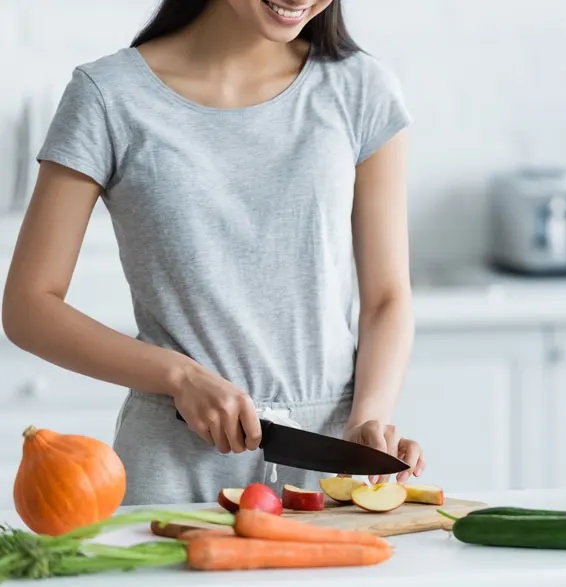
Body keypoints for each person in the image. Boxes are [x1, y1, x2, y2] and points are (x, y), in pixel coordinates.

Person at [1, 0, 424, 505]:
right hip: (173, 464)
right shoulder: (108, 96)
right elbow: (28, 306)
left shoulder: (361, 88)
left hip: (328, 466)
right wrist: (180, 376)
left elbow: (386, 298)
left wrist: (369, 418)